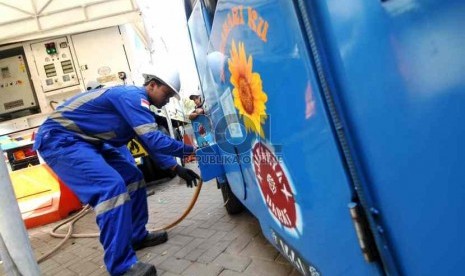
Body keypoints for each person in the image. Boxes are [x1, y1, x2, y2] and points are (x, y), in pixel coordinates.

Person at [34, 67, 200, 276]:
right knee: (111, 188)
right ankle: (121, 266)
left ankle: (136, 237)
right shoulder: (132, 97)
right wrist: (192, 150)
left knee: (133, 177)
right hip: (60, 140)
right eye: (166, 94)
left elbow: (147, 142)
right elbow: (154, 139)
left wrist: (175, 167)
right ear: (152, 85)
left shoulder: (137, 106)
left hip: (87, 142)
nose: (167, 100)